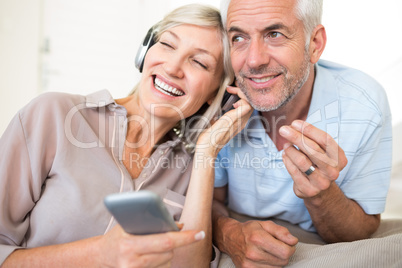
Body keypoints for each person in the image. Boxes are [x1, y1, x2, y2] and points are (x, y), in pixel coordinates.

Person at [0, 4, 253, 267]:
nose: (173, 68)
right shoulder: (53, 115)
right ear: (145, 52)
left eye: (199, 62)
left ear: (219, 93)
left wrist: (206, 150)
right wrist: (98, 254)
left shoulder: (192, 169)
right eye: (167, 45)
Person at [212, 0, 393, 267]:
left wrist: (321, 195)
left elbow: (362, 230)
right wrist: (229, 234)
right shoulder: (216, 97)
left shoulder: (363, 101)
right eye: (238, 37)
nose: (253, 60)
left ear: (315, 43)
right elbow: (207, 202)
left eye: (275, 34)